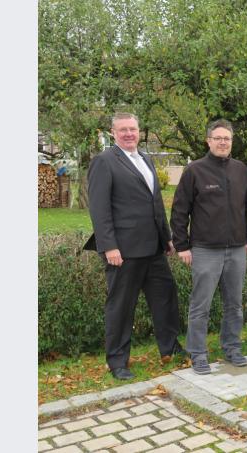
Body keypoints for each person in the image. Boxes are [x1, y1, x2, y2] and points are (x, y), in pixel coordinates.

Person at [85, 112, 183, 380]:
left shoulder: (146, 160)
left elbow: (155, 203)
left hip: (153, 249)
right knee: (121, 307)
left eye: (133, 129)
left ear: (140, 131)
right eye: (123, 129)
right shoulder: (104, 162)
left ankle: (170, 348)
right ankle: (117, 362)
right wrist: (109, 247)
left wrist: (167, 237)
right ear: (113, 133)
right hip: (123, 252)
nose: (129, 134)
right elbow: (99, 208)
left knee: (165, 299)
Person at [170, 119, 247, 375]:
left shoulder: (241, 170)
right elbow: (179, 211)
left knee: (234, 304)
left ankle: (232, 347)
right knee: (201, 305)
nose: (223, 142)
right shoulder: (195, 171)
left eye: (227, 139)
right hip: (205, 250)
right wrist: (182, 246)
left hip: (236, 250)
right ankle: (197, 353)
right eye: (218, 138)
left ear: (232, 142)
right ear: (208, 141)